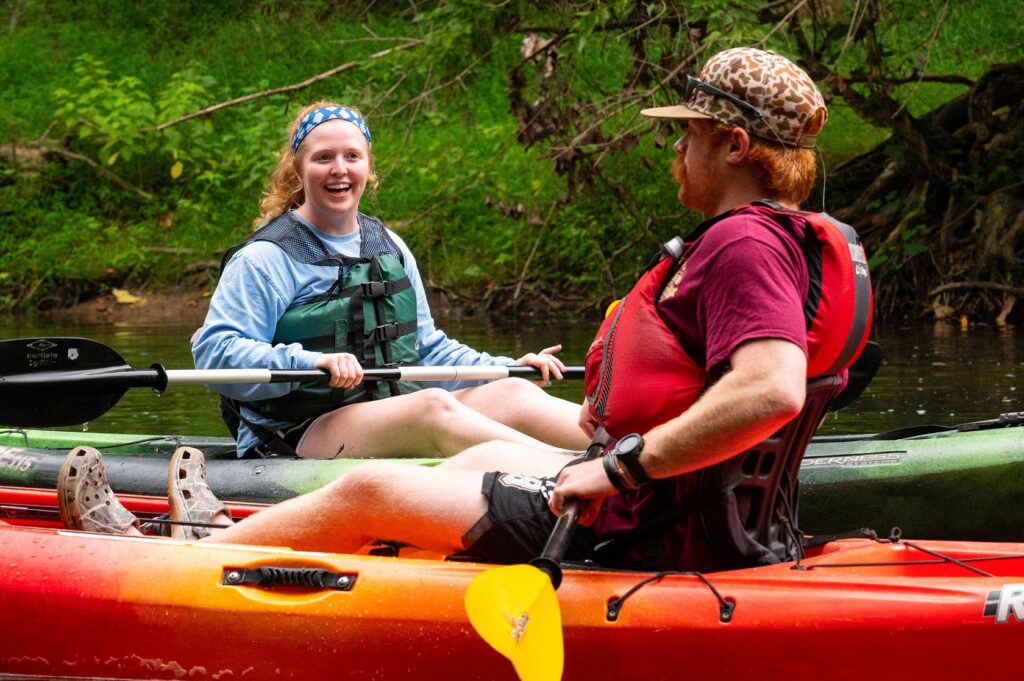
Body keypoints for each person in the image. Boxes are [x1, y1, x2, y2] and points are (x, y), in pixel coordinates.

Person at [59, 48, 869, 571]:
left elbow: (770, 389)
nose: (675, 149)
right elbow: (227, 348)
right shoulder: (797, 240)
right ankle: (236, 539)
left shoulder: (740, 245)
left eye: (687, 134)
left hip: (643, 519)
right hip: (689, 508)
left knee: (373, 488)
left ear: (732, 145)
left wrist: (613, 465)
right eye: (323, 156)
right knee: (448, 466)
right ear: (298, 168)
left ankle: (161, 566)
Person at [190, 101, 588, 462]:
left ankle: (626, 450)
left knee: (513, 393)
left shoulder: (389, 246)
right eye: (323, 157)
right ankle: (575, 471)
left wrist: (506, 368)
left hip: (391, 408)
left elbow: (426, 348)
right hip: (296, 432)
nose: (339, 169)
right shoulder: (265, 258)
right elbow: (215, 351)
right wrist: (310, 361)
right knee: (432, 407)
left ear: (368, 165)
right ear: (297, 169)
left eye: (352, 156)